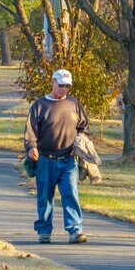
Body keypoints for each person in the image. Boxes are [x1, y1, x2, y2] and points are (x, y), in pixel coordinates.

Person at [24, 69, 89, 244]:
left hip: (68, 159)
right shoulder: (39, 105)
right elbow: (30, 131)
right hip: (45, 159)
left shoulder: (73, 103)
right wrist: (31, 147)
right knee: (45, 196)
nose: (63, 89)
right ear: (52, 82)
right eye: (61, 85)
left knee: (71, 194)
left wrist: (80, 144)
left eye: (67, 86)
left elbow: (83, 127)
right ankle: (44, 231)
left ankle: (75, 231)